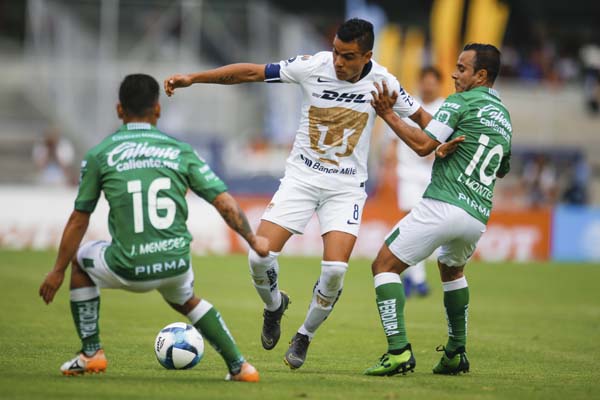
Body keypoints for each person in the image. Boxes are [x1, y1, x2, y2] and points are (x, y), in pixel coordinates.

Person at [164, 18, 459, 370]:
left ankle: (304, 335)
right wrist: (194, 79)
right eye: (336, 51)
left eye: (347, 56)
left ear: (366, 55)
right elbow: (251, 73)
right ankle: (275, 306)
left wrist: (446, 143)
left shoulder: (384, 83)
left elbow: (427, 119)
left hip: (346, 188)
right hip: (300, 180)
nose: (338, 61)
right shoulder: (311, 66)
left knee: (335, 271)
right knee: (258, 257)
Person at [39, 74, 268, 382]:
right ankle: (240, 366)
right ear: (157, 110)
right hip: (175, 262)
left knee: (80, 261)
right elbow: (224, 202)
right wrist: (252, 239)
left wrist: (57, 270)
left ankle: (92, 353)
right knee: (186, 298)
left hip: (128, 265)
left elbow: (80, 218)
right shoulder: (180, 151)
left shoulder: (100, 154)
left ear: (119, 110)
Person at [364, 43, 511, 376]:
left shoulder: (458, 102)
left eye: (462, 68)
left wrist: (387, 114)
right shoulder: (504, 116)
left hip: (444, 202)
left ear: (481, 74)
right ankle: (456, 353)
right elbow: (502, 168)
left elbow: (422, 146)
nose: (455, 74)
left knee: (383, 266)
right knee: (452, 270)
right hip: (477, 214)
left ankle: (398, 351)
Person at [393, 66, 445, 298]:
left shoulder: (445, 108)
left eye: (433, 82)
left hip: (433, 175)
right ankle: (419, 279)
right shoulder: (408, 105)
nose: (428, 86)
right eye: (425, 81)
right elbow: (393, 136)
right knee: (410, 222)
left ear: (438, 84)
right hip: (407, 173)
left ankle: (412, 277)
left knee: (423, 227)